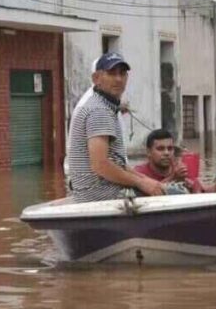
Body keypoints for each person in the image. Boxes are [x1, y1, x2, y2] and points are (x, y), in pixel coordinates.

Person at [66, 52, 164, 202]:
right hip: (101, 195)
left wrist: (144, 179)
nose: (118, 79)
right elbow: (100, 165)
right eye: (111, 73)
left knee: (162, 187)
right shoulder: (99, 110)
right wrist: (141, 182)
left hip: (98, 191)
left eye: (122, 73)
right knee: (179, 193)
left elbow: (116, 162)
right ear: (96, 78)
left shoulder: (103, 105)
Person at [134, 129, 204, 194]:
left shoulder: (180, 168)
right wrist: (173, 178)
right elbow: (144, 198)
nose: (166, 153)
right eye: (160, 149)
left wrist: (194, 186)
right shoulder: (139, 173)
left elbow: (203, 191)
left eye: (170, 148)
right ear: (149, 152)